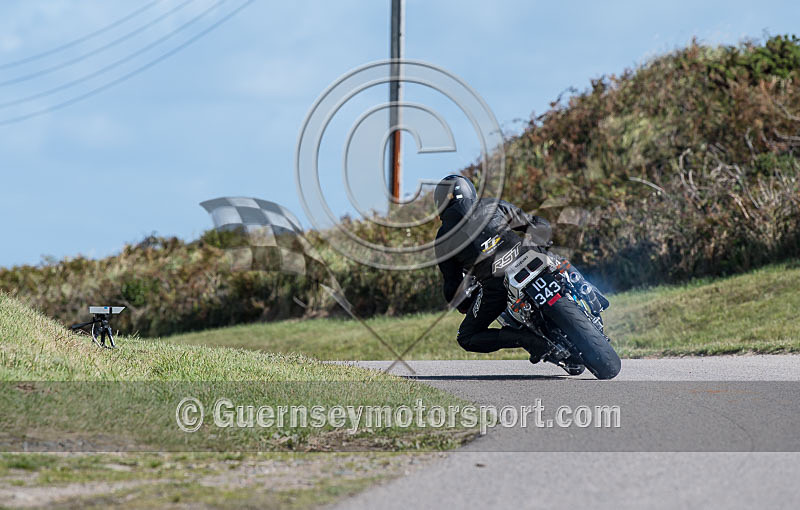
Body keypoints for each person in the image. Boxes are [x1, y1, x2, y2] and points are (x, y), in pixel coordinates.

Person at [433, 174, 553, 360]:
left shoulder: (442, 239)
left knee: (466, 337)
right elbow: (534, 223)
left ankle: (525, 339)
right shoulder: (491, 205)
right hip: (529, 257)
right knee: (557, 260)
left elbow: (453, 286)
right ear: (470, 191)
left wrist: (465, 305)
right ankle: (587, 292)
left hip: (497, 287)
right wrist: (542, 242)